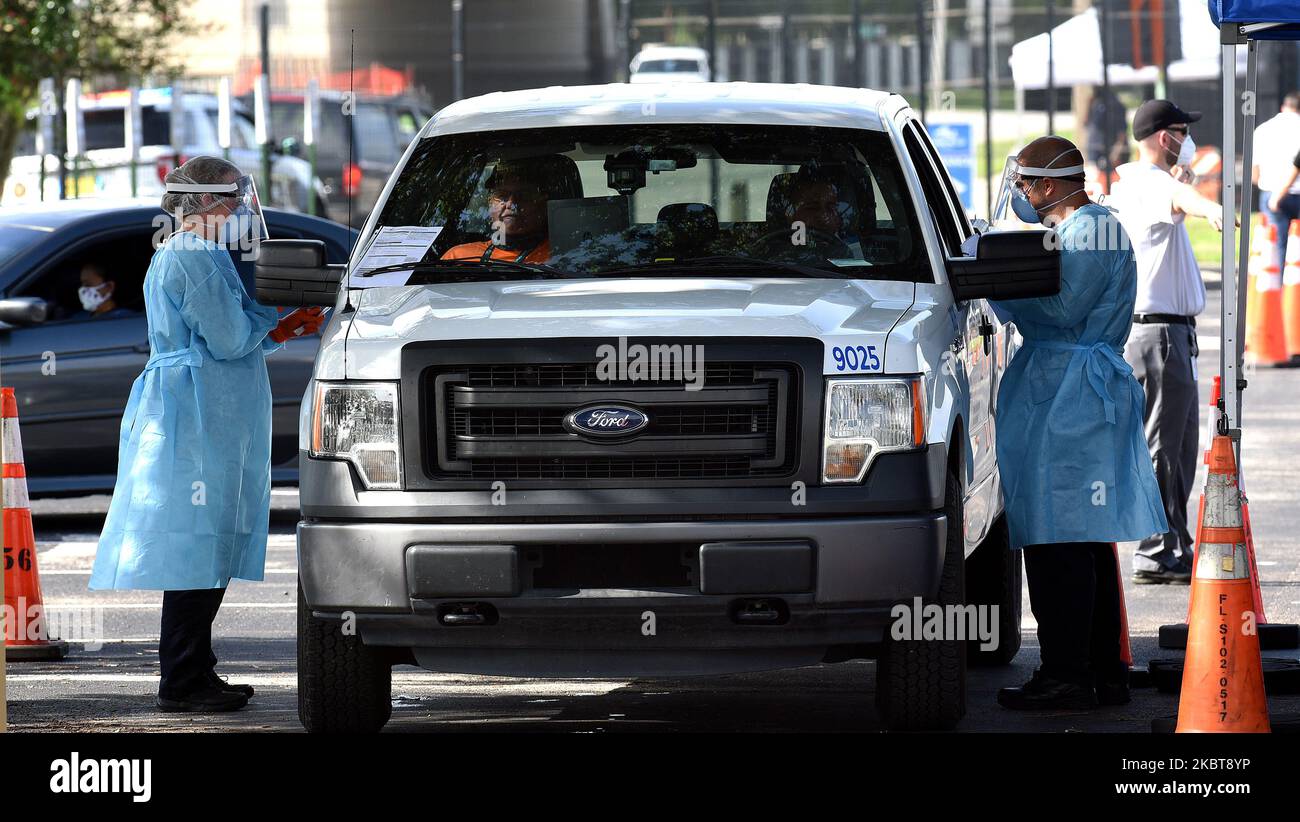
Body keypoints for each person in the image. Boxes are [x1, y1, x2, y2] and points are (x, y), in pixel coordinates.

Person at [90, 156, 325, 713]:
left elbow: (234, 332)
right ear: (207, 201)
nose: (242, 208)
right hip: (198, 409)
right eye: (233, 198)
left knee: (210, 540)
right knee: (199, 543)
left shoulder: (197, 251)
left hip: (206, 405)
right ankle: (183, 679)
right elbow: (225, 338)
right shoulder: (192, 253)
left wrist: (282, 326)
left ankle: (196, 670)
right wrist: (274, 322)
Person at [991, 136, 1167, 710]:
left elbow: (1061, 310)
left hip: (1072, 393)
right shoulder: (1077, 230)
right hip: (1062, 388)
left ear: (1047, 186)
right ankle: (1099, 669)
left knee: (1057, 539)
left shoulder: (1092, 229)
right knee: (1079, 538)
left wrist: (999, 284)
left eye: (1023, 185)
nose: (1019, 196)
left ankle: (1067, 672)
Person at [1110, 100, 1227, 585]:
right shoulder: (1151, 184)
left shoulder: (1141, 183)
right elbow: (1184, 202)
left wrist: (1189, 188)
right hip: (1160, 334)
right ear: (1164, 137)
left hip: (1165, 332)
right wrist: (1212, 208)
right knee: (1165, 443)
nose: (1188, 140)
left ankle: (1169, 542)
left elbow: (1176, 196)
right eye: (1182, 131)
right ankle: (1158, 547)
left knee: (1175, 444)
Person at [441, 155, 579, 263]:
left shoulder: (571, 256)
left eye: (524, 196)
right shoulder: (458, 258)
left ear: (544, 203)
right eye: (502, 196)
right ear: (489, 203)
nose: (511, 204)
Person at [1254, 92, 1300, 276]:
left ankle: (1278, 292)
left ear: (1283, 107)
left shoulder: (1263, 129)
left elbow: (1254, 168)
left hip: (1270, 191)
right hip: (1296, 190)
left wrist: (1265, 184)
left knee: (1277, 246)